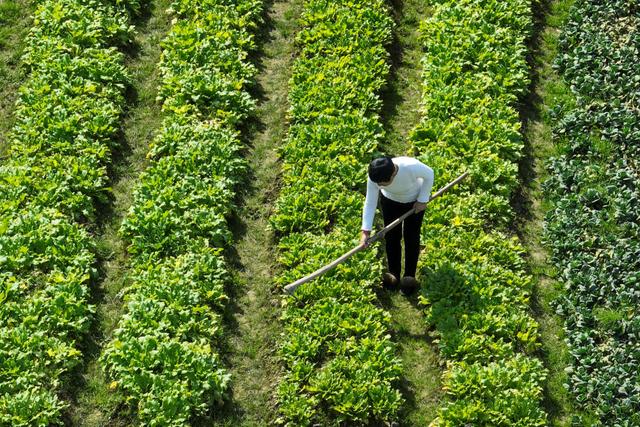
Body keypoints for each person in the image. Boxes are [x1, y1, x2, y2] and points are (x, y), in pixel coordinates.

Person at [360, 156, 434, 295]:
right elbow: (370, 202)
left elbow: (429, 174)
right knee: (392, 236)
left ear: (393, 173)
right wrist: (365, 231)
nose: (380, 185)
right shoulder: (375, 177)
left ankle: (409, 276)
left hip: (414, 204)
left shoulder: (410, 166)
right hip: (390, 202)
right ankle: (393, 273)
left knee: (411, 236)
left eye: (383, 183)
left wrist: (423, 199)